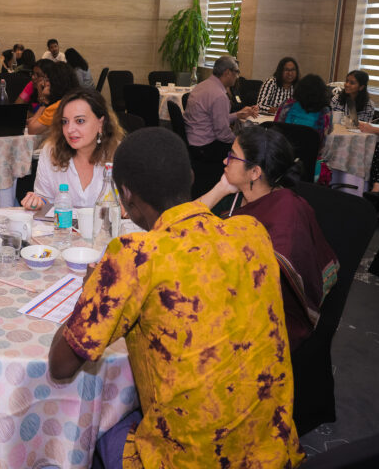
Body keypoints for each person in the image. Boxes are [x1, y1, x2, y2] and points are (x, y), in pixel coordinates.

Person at [48, 128, 303, 469]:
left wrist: (91, 292)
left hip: (186, 462)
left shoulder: (136, 257)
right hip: (272, 451)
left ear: (125, 196)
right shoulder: (251, 232)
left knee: (96, 419)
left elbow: (60, 365)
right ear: (192, 177)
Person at [199, 127, 339, 350]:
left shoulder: (285, 216)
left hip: (261, 316)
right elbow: (184, 224)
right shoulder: (238, 196)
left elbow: (262, 289)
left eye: (232, 156)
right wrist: (220, 188)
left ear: (254, 173)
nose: (225, 160)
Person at [21, 89, 124, 210]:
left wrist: (128, 208)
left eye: (80, 121)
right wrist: (36, 201)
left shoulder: (120, 154)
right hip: (63, 228)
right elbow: (44, 199)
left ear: (101, 124)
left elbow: (136, 204)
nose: (69, 129)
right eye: (65, 122)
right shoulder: (51, 152)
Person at [184, 55, 258, 160]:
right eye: (236, 72)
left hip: (192, 141)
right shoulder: (219, 95)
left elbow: (212, 119)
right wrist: (240, 141)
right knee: (248, 150)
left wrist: (237, 115)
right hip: (205, 147)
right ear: (227, 72)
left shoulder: (202, 85)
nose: (237, 77)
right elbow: (222, 134)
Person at [274, 73, 333, 150]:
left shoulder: (287, 105)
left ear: (299, 89)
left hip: (285, 152)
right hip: (311, 155)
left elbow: (276, 126)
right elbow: (327, 132)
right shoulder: (325, 112)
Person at [27, 62, 79, 135]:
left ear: (57, 83)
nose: (44, 84)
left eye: (47, 80)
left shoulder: (58, 107)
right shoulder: (74, 100)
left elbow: (32, 130)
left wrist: (44, 104)